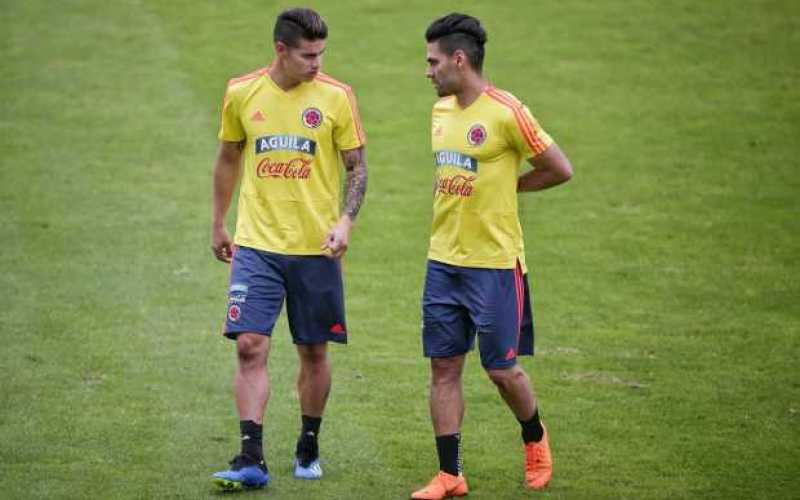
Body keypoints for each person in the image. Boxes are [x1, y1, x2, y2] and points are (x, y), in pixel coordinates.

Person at [411, 13, 573, 500]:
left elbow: (558, 167)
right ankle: (449, 474)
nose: (427, 71)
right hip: (442, 261)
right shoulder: (440, 111)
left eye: (433, 61)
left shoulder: (507, 111)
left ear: (459, 60)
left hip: (496, 265)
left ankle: (534, 435)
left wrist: (511, 186)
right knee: (443, 368)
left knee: (502, 370)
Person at [208, 7, 367, 491]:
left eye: (321, 54)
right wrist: (218, 221)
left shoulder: (337, 98)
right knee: (250, 346)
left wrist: (345, 221)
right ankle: (250, 456)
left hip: (316, 250)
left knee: (314, 352)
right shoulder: (242, 92)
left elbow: (357, 168)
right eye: (307, 55)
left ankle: (308, 443)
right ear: (281, 49)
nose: (317, 63)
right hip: (257, 245)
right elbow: (228, 157)